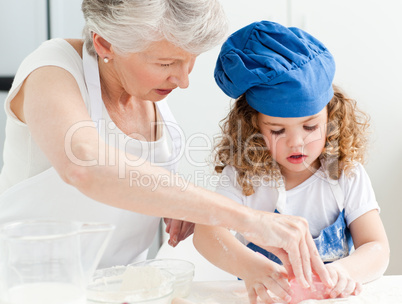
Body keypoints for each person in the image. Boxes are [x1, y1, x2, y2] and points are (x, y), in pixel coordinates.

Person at [0, 0, 331, 290]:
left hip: (119, 291)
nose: (183, 80)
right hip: (30, 288)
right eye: (166, 64)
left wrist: (176, 204)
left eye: (190, 61)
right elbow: (85, 164)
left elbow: (129, 186)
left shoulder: (153, 103)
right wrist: (249, 220)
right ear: (105, 44)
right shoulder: (52, 67)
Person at [193, 20, 390, 304]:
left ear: (331, 119)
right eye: (277, 130)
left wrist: (343, 272)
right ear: (254, 127)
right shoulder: (244, 177)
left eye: (310, 127)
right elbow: (206, 233)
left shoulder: (346, 174)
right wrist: (250, 267)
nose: (296, 142)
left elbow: (376, 247)